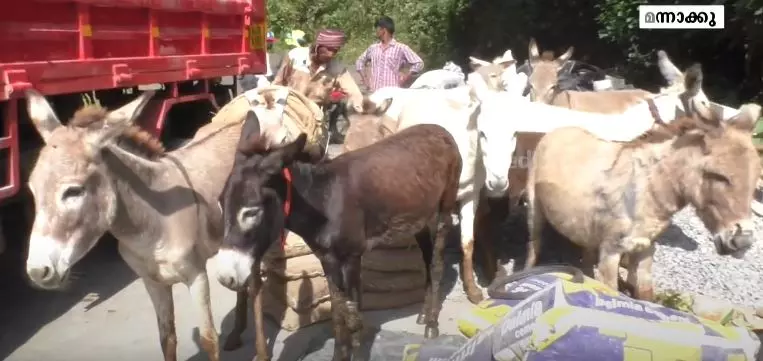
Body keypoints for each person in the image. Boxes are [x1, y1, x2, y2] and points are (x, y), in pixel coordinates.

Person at [272, 28, 363, 110]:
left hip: (315, 114)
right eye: (328, 49)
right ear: (317, 47)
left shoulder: (337, 69)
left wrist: (363, 109)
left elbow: (354, 93)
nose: (331, 54)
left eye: (335, 51)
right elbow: (278, 83)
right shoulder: (295, 56)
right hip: (289, 109)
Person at [355, 16, 424, 92]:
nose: (376, 32)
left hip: (392, 93)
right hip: (375, 92)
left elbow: (419, 63)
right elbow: (359, 61)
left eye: (377, 29)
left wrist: (406, 77)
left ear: (383, 30)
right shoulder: (373, 48)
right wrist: (365, 79)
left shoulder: (400, 48)